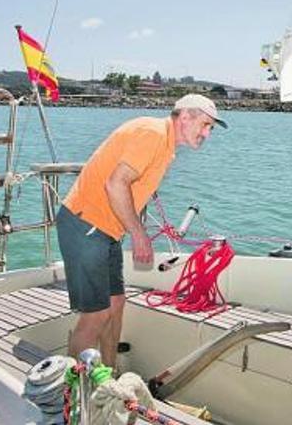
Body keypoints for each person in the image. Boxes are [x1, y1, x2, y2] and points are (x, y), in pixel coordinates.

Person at [56, 94, 227, 366]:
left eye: (211, 128)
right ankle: (74, 395)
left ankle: (110, 377)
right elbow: (116, 184)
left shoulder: (164, 143)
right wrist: (139, 234)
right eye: (205, 125)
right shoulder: (153, 134)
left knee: (116, 304)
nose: (207, 133)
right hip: (86, 223)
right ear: (185, 117)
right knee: (96, 315)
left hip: (106, 229)